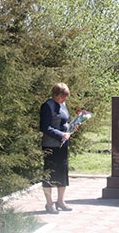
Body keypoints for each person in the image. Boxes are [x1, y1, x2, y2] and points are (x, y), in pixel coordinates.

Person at [40, 82, 77, 214]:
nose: (64, 99)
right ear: (55, 94)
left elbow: (64, 121)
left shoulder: (63, 104)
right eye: (62, 97)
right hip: (50, 146)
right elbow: (45, 127)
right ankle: (49, 204)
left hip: (63, 146)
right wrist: (61, 134)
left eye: (65, 97)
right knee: (49, 175)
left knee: (62, 174)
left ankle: (61, 201)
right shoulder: (47, 106)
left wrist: (72, 127)